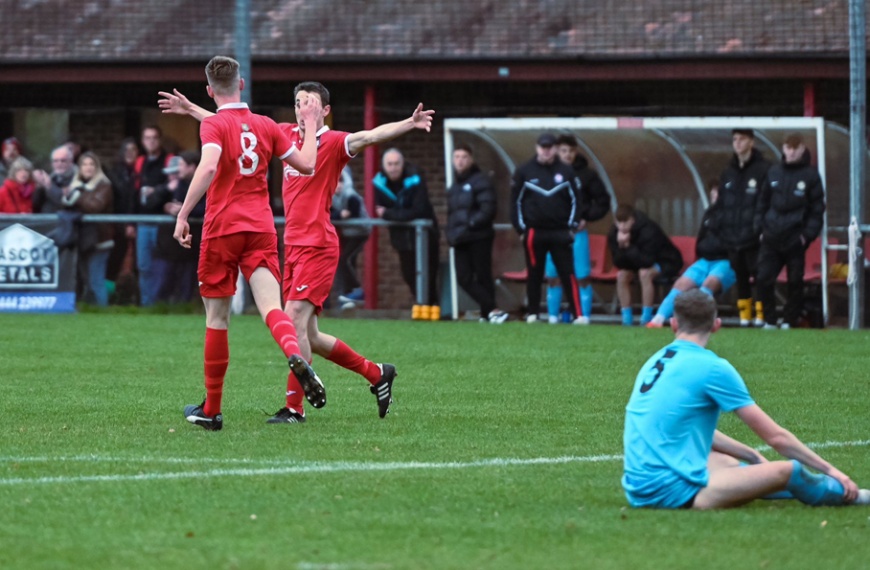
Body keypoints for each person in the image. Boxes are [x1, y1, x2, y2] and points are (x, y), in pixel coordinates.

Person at [160, 80, 434, 422]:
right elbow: (235, 126)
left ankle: (294, 408)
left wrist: (409, 123)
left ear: (325, 112)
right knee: (311, 336)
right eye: (299, 102)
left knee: (292, 321)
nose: (303, 108)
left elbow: (370, 135)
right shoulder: (284, 134)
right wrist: (192, 110)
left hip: (318, 245)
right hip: (291, 245)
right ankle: (378, 374)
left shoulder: (332, 142)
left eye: (310, 104)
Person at [171, 56, 325, 430]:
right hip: (260, 228)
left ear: (210, 91)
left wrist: (182, 213)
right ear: (242, 85)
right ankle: (294, 353)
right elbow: (306, 163)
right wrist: (307, 125)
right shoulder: (266, 125)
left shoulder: (214, 126)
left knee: (217, 317)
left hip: (222, 228)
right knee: (273, 308)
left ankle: (212, 410)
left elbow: (208, 165)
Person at [623, 289, 869, 509]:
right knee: (790, 470)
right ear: (717, 325)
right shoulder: (713, 368)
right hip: (670, 494)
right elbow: (776, 437)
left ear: (673, 324)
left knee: (727, 462)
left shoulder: (655, 360)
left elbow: (681, 425)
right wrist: (832, 470)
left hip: (637, 486)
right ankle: (852, 495)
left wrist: (751, 454)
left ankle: (761, 480)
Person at [510, 133, 585, 324]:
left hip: (560, 231)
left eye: (550, 147)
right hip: (534, 231)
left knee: (567, 272)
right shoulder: (524, 171)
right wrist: (521, 230)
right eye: (543, 147)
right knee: (535, 273)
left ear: (555, 149)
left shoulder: (566, 171)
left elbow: (576, 201)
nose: (546, 151)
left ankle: (579, 315)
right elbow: (515, 202)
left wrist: (572, 227)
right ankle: (533, 314)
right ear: (537, 148)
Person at [754, 132, 826, 330]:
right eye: (788, 147)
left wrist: (806, 236)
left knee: (795, 281)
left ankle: (789, 320)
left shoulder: (811, 175)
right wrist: (760, 229)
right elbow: (762, 202)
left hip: (795, 238)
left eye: (795, 148)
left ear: (802, 149)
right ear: (784, 149)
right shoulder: (773, 172)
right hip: (771, 236)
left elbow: (817, 209)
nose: (792, 152)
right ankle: (769, 320)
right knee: (763, 278)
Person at [647, 181, 735, 328]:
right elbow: (702, 237)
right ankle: (658, 320)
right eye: (712, 192)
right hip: (705, 260)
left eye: (717, 192)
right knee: (681, 284)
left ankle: (698, 322)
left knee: (709, 283)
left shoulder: (735, 215)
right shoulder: (709, 213)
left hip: (726, 261)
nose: (714, 195)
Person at [544, 134, 610, 323]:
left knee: (582, 275)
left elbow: (603, 202)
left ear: (576, 151)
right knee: (553, 275)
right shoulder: (546, 172)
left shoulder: (587, 175)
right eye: (563, 150)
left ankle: (583, 317)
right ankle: (552, 317)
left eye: (571, 151)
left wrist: (586, 217)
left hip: (577, 233)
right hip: (553, 232)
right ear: (556, 151)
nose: (567, 155)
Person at [373, 148, 441, 317]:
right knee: (409, 274)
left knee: (429, 274)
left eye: (396, 164)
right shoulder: (379, 183)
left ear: (402, 164)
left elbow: (419, 210)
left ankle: (432, 308)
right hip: (401, 237)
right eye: (389, 164)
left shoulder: (415, 178)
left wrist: (390, 214)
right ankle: (420, 305)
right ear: (384, 166)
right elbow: (378, 209)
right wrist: (397, 215)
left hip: (426, 235)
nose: (393, 168)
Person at [445, 142, 506, 323]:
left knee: (483, 275)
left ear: (471, 160)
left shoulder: (481, 181)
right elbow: (452, 214)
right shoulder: (454, 187)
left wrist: (471, 224)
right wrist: (451, 233)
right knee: (463, 278)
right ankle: (492, 308)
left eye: (464, 157)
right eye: (457, 157)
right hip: (460, 238)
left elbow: (488, 208)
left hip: (479, 236)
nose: (460, 161)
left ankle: (488, 313)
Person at [718, 128, 771, 327]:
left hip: (754, 236)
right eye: (734, 139)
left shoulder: (763, 169)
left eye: (742, 139)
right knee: (740, 276)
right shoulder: (728, 172)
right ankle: (744, 317)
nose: (737, 143)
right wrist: (723, 228)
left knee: (759, 276)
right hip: (733, 235)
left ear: (751, 142)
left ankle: (760, 315)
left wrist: (761, 229)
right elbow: (722, 204)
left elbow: (766, 202)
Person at [608, 204, 683, 326]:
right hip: (638, 262)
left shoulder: (648, 229)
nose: (621, 226)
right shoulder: (614, 233)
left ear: (632, 219)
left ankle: (646, 318)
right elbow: (618, 263)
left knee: (645, 273)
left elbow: (647, 261)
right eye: (618, 222)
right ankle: (626, 319)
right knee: (621, 275)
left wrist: (628, 247)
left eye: (625, 222)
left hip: (667, 261)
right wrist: (621, 248)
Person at [154, 151, 203, 303]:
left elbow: (207, 207)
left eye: (182, 165)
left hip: (198, 236)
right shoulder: (181, 183)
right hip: (181, 239)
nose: (178, 169)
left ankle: (188, 303)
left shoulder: (204, 182)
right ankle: (172, 304)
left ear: (192, 167)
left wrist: (185, 210)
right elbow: (178, 202)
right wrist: (170, 208)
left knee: (190, 272)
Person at [68, 152, 115, 306]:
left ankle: (102, 311)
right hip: (81, 239)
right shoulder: (75, 185)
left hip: (100, 239)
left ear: (97, 167)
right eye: (84, 164)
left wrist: (76, 196)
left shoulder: (104, 185)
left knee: (96, 279)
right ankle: (90, 310)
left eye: (91, 164)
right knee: (86, 279)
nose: (88, 167)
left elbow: (95, 206)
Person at [135, 125, 174, 307]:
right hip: (143, 221)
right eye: (147, 138)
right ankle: (146, 304)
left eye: (154, 137)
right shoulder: (140, 163)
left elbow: (173, 187)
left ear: (159, 140)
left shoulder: (169, 161)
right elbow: (133, 193)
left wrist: (157, 191)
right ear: (143, 141)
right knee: (144, 266)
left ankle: (161, 304)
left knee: (162, 266)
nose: (151, 141)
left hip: (163, 222)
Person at [106, 137, 141, 303]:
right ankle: (110, 297)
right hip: (117, 225)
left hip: (138, 223)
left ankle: (138, 299)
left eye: (133, 150)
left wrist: (132, 223)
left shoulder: (142, 172)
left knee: (138, 264)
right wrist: (124, 224)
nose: (130, 154)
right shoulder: (114, 174)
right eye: (126, 150)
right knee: (114, 261)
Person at [331, 166, 370, 308]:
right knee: (347, 261)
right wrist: (339, 215)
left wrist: (341, 215)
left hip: (360, 232)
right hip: (348, 233)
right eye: (335, 182)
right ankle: (349, 294)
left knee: (345, 259)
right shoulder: (330, 197)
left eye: (341, 181)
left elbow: (353, 212)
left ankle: (357, 289)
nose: (338, 185)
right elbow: (330, 214)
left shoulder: (350, 195)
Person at [32, 144, 77, 213]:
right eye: (55, 161)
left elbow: (63, 202)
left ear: (70, 162)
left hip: (64, 221)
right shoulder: (51, 177)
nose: (59, 164)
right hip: (46, 220)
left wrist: (49, 186)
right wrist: (39, 186)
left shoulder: (77, 178)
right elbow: (36, 204)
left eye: (63, 160)